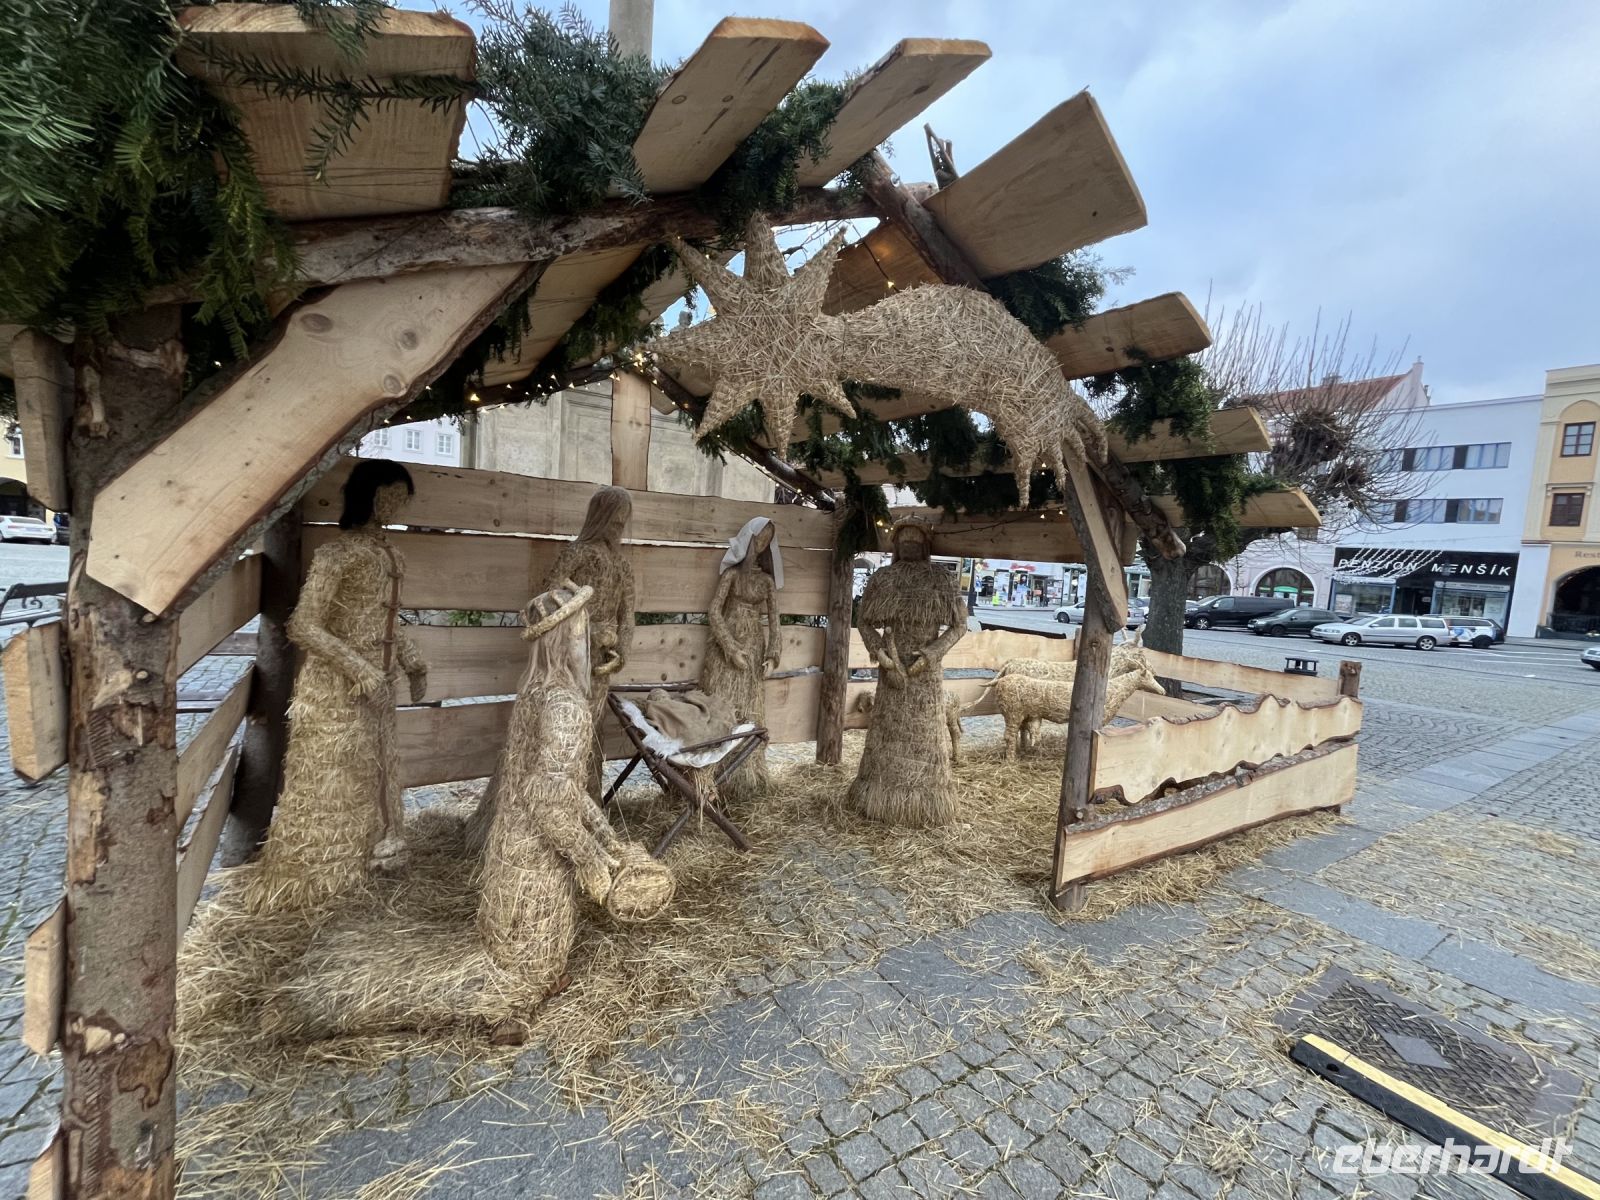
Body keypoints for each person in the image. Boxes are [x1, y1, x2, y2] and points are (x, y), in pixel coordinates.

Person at [245, 460, 427, 912]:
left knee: (378, 772)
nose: (401, 504)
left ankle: (376, 857)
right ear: (374, 494)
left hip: (377, 690)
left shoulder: (389, 555)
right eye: (395, 494)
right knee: (336, 778)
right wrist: (358, 669)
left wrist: (411, 662)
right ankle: (321, 877)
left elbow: (380, 621)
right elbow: (304, 625)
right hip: (337, 692)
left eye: (404, 497)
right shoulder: (336, 554)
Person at [849, 518, 968, 827]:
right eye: (905, 542)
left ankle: (925, 801)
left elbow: (959, 625)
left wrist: (932, 654)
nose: (910, 547)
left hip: (925, 674)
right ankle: (879, 795)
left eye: (916, 542)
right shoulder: (883, 578)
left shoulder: (940, 579)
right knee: (887, 730)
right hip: (892, 670)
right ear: (896, 546)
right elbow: (863, 621)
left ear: (925, 546)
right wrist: (881, 653)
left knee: (925, 732)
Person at [699, 517, 783, 800]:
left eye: (767, 541)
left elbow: (774, 621)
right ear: (748, 539)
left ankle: (745, 774)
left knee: (749, 707)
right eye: (758, 538)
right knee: (722, 705)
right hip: (727, 651)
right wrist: (730, 647)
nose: (761, 545)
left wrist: (773, 654)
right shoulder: (732, 575)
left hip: (754, 649)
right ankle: (711, 774)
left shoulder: (766, 581)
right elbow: (713, 612)